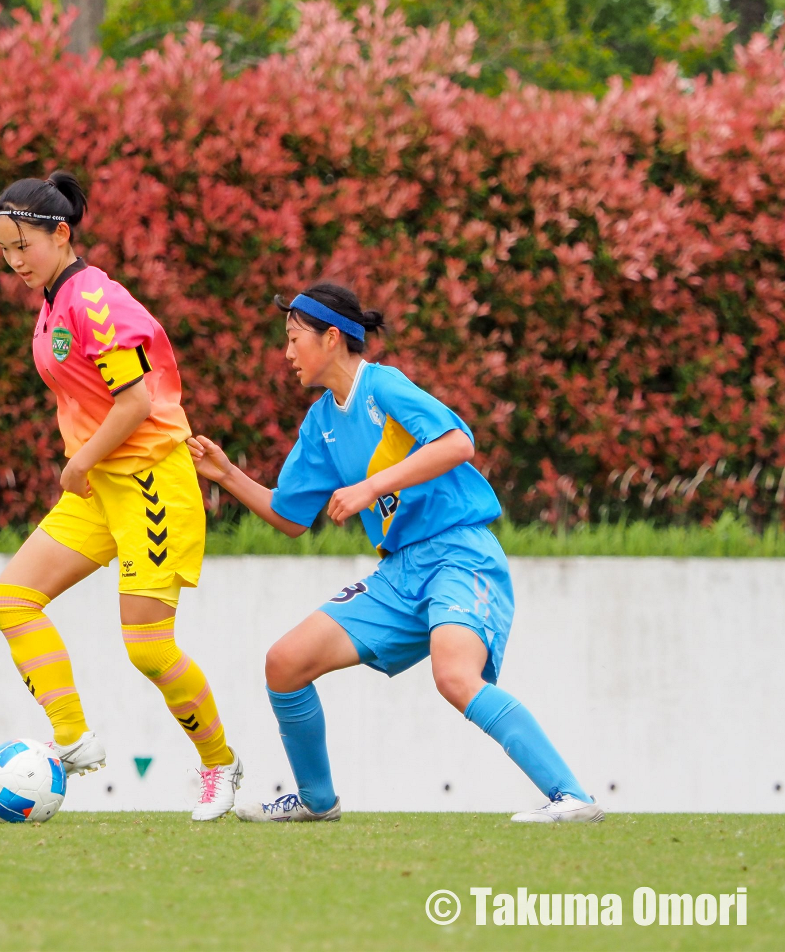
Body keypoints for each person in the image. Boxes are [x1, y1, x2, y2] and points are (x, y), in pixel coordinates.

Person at [188, 282, 603, 824]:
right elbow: (289, 518)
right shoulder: (320, 423)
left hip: (459, 554)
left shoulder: (382, 386)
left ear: (331, 338)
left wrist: (370, 487)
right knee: (284, 664)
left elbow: (458, 443)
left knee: (455, 677)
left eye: (293, 339)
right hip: (397, 573)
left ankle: (571, 797)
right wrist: (227, 475)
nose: (286, 353)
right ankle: (317, 803)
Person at [0, 171, 243, 821]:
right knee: (12, 599)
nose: (15, 261)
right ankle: (71, 737)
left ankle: (220, 765)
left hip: (152, 481)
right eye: (5, 249)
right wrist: (89, 468)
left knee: (148, 648)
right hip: (102, 486)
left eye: (24, 246)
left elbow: (135, 403)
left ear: (61, 234)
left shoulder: (93, 300)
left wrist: (81, 463)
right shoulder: (54, 302)